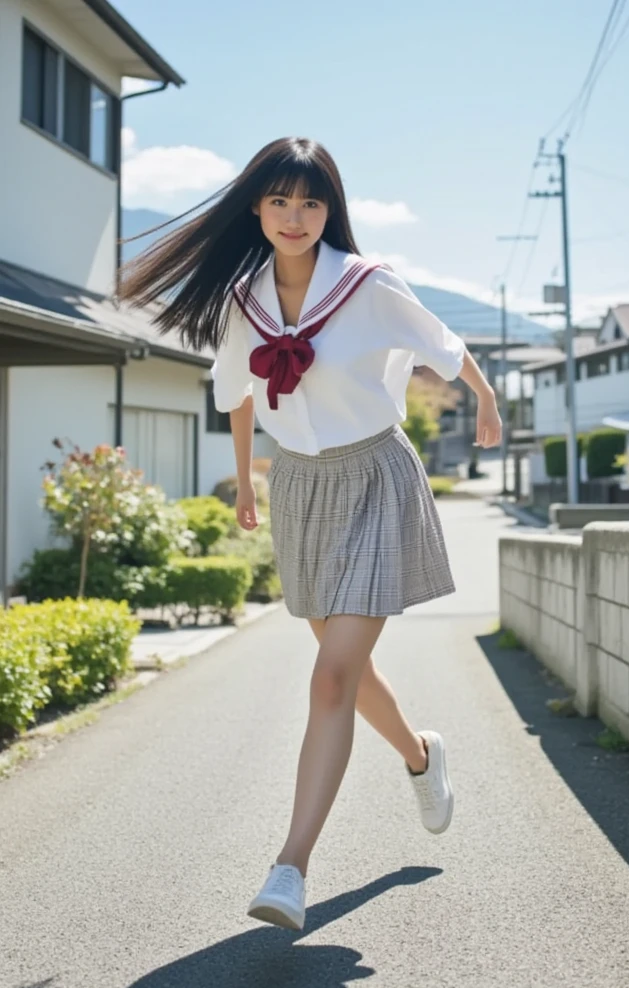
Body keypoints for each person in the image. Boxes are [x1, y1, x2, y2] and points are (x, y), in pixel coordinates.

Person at [120, 137, 502, 932]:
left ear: (331, 211)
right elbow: (236, 392)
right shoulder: (243, 302)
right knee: (346, 671)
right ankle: (422, 755)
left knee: (330, 675)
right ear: (255, 210)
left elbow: (445, 346)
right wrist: (248, 481)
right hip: (297, 482)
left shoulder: (368, 286)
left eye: (312, 202)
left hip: (375, 478)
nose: (296, 218)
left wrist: (489, 402)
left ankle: (290, 867)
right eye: (280, 202)